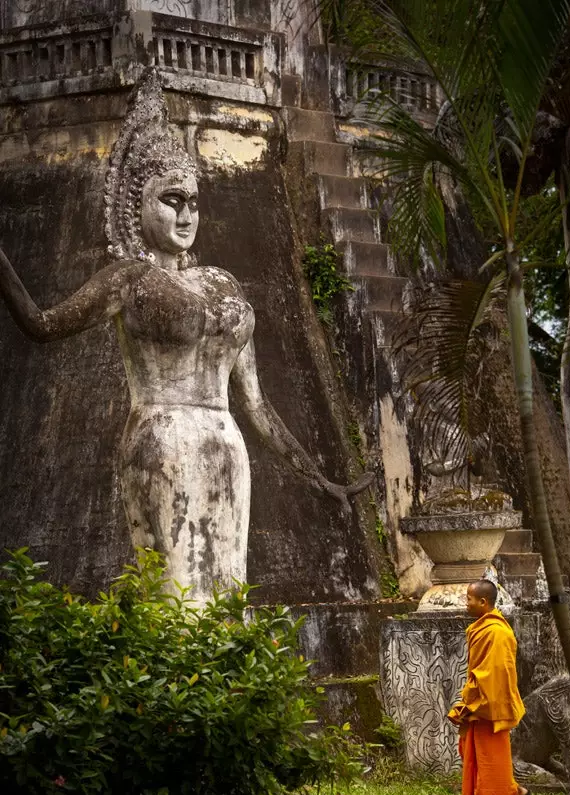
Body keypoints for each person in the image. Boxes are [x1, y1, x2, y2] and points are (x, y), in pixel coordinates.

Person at [0, 68, 373, 603]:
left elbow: (258, 407)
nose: (186, 214)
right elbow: (41, 325)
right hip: (160, 442)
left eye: (194, 202)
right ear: (138, 205)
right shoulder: (128, 280)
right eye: (172, 200)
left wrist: (322, 478)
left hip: (226, 445)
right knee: (175, 603)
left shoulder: (221, 281)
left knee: (229, 601)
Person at [447, 578, 530, 795]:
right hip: (479, 701)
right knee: (473, 754)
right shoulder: (484, 629)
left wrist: (471, 700)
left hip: (489, 705)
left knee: (490, 759)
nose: (466, 604)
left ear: (483, 602)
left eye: (469, 599)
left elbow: (495, 674)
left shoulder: (498, 632)